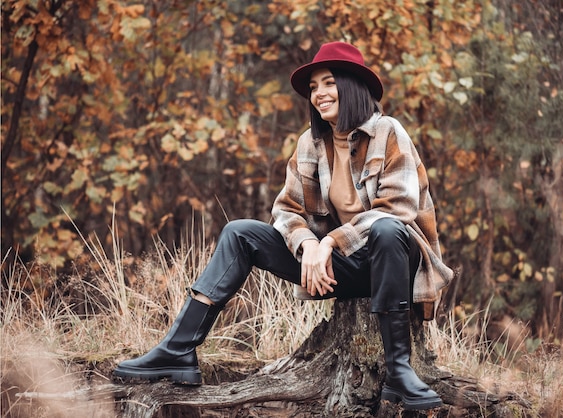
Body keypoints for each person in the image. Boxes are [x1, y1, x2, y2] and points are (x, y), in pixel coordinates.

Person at [113, 41, 453, 411]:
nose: (318, 94)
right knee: (239, 232)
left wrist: (330, 243)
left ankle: (399, 372)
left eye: (328, 83)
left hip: (395, 266)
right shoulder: (312, 142)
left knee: (387, 230)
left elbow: (398, 210)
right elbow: (287, 209)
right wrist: (308, 245)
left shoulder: (388, 132)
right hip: (340, 268)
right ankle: (177, 350)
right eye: (313, 87)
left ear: (353, 85)